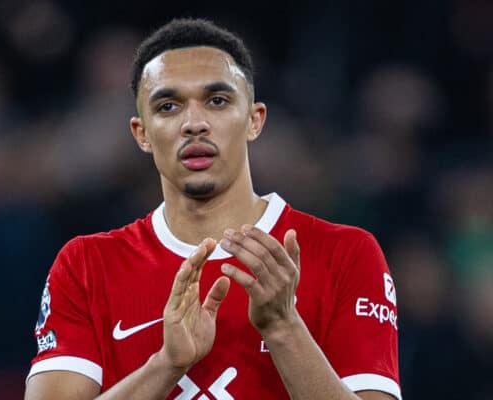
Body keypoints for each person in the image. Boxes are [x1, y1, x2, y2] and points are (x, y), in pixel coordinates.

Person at [24, 18, 401, 400]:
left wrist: (285, 328)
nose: (194, 123)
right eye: (168, 106)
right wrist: (166, 365)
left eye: (217, 101)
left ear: (254, 120)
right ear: (142, 134)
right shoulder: (87, 265)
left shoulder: (346, 254)